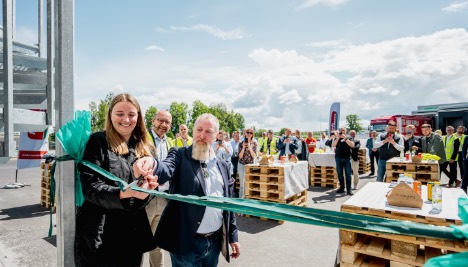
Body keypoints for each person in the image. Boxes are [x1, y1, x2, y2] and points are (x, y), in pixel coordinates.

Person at [134, 113, 241, 266]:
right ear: (193, 131)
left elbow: (228, 205)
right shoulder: (180, 155)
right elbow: (166, 168)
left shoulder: (222, 165)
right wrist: (152, 163)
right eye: (199, 130)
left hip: (214, 243)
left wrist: (233, 236)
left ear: (216, 135)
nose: (202, 135)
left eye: (208, 132)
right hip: (186, 244)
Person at [75, 93, 158, 266]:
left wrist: (148, 192)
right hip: (100, 232)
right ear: (111, 115)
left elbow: (149, 191)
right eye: (120, 114)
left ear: (139, 117)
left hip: (132, 234)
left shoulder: (146, 147)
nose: (126, 119)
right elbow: (91, 188)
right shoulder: (97, 142)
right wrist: (122, 193)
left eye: (131, 114)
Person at [146, 110, 174, 267]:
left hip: (163, 198)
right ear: (153, 121)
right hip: (145, 199)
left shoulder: (170, 143)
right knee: (137, 242)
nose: (163, 125)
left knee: (158, 244)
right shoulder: (143, 139)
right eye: (160, 121)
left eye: (167, 122)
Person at [332, 127, 355, 195]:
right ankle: (342, 188)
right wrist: (338, 138)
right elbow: (333, 145)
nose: (342, 131)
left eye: (343, 130)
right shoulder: (337, 138)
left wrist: (345, 138)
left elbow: (352, 145)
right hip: (338, 158)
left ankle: (349, 189)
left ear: (346, 131)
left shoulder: (349, 138)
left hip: (347, 158)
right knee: (340, 174)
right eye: (341, 130)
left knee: (348, 174)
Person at [238, 128, 257, 198]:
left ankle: (249, 199)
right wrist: (243, 147)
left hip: (250, 166)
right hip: (242, 165)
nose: (249, 134)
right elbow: (240, 156)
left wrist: (249, 147)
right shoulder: (240, 143)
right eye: (247, 132)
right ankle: (241, 200)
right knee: (242, 185)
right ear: (245, 134)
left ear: (252, 135)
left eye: (250, 133)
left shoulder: (254, 143)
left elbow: (254, 156)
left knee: (250, 183)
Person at [230, 131, 241, 196]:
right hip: (233, 160)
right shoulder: (231, 143)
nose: (237, 137)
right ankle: (234, 191)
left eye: (238, 136)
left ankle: (238, 191)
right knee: (233, 175)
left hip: (240, 160)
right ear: (234, 137)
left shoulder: (241, 143)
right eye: (236, 136)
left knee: (239, 176)